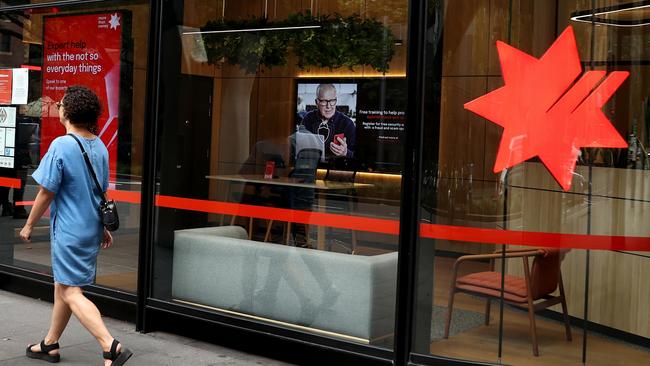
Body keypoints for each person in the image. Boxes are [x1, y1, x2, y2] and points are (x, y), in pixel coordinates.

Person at [19, 86, 132, 366]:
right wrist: (103, 227)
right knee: (63, 286)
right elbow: (100, 192)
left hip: (69, 230)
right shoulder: (100, 145)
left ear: (67, 112)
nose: (58, 108)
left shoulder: (62, 145)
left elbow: (46, 192)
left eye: (60, 104)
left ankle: (110, 346)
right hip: (90, 228)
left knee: (71, 291)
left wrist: (29, 224)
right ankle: (50, 343)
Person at [299, 84, 356, 160]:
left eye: (332, 101)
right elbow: (299, 148)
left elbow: (356, 156)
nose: (328, 106)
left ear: (336, 101)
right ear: (317, 102)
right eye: (324, 101)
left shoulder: (347, 124)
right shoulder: (308, 119)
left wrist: (345, 153)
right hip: (311, 167)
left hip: (337, 169)